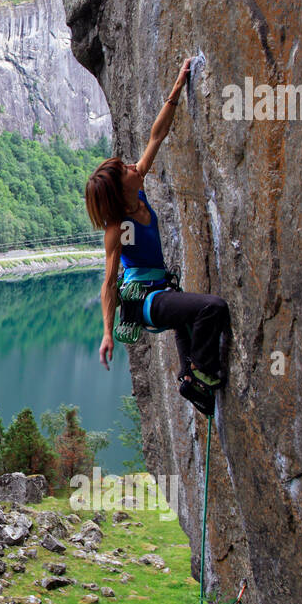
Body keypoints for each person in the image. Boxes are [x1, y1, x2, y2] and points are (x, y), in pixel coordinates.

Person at [85, 58, 230, 417]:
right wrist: (106, 333)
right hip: (148, 302)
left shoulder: (138, 188)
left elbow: (157, 135)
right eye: (126, 170)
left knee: (188, 320)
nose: (134, 166)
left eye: (128, 165)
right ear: (120, 190)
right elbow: (108, 284)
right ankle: (201, 375)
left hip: (164, 293)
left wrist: (178, 87)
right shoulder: (117, 228)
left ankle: (190, 379)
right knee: (213, 308)